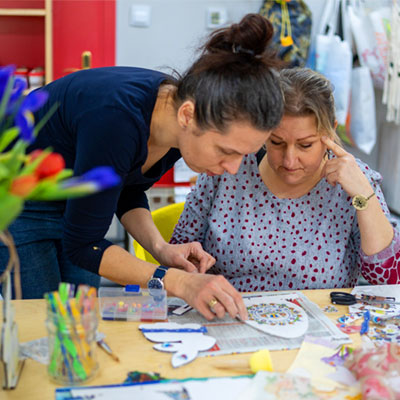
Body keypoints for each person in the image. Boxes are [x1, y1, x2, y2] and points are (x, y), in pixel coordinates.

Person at [0, 14, 284, 320]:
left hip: (72, 197)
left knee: (78, 323)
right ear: (188, 116)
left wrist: (160, 248)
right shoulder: (117, 120)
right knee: (43, 324)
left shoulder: (177, 122)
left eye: (244, 155)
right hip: (20, 199)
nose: (233, 167)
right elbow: (85, 245)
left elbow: (127, 188)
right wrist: (181, 282)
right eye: (226, 151)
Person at [171, 67, 400, 291]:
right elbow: (177, 256)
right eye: (277, 142)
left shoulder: (355, 181)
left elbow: (388, 279)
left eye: (305, 145)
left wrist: (363, 196)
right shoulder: (228, 167)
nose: (290, 160)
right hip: (229, 317)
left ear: (330, 133)